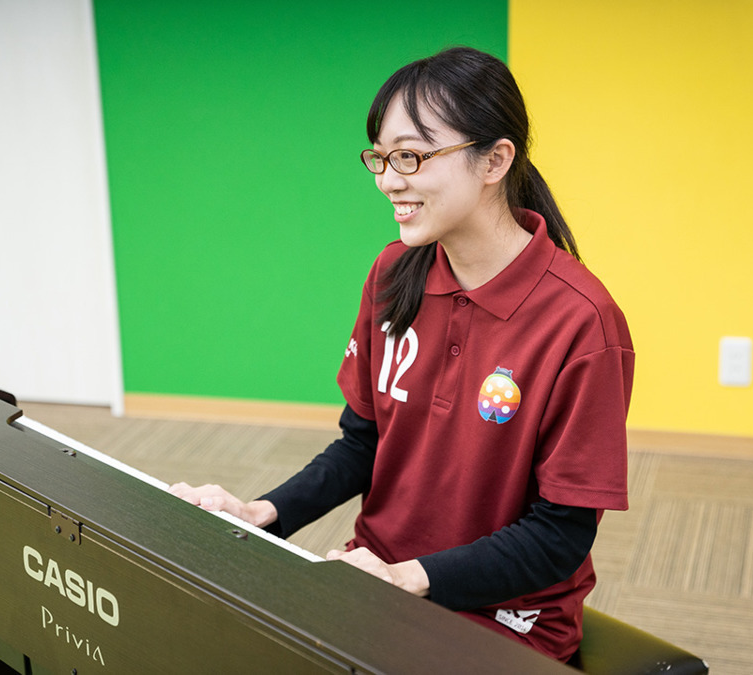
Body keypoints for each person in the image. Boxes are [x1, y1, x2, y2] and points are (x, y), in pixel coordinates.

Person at [169, 46, 634, 663]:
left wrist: (409, 578)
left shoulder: (583, 322)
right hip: (378, 578)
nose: (389, 180)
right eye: (381, 158)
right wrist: (264, 513)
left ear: (495, 160)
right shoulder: (394, 273)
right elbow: (363, 445)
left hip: (506, 619)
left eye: (411, 156)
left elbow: (560, 536)